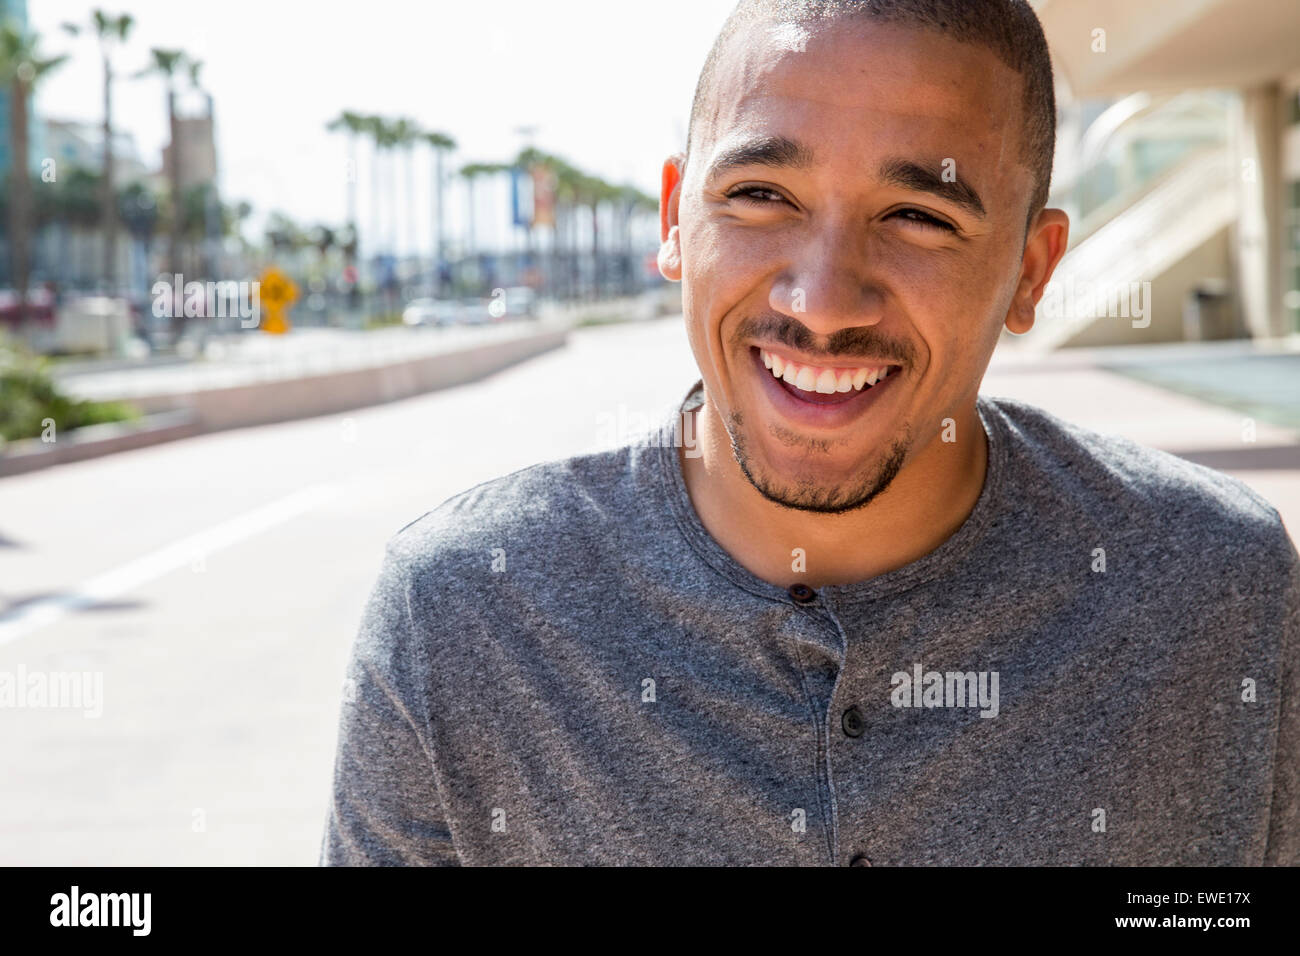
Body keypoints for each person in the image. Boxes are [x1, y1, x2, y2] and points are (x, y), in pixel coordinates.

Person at [320, 0, 1299, 866]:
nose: (822, 301)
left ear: (1032, 271)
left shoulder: (1219, 595)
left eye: (917, 214)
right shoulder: (461, 614)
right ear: (673, 217)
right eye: (760, 196)